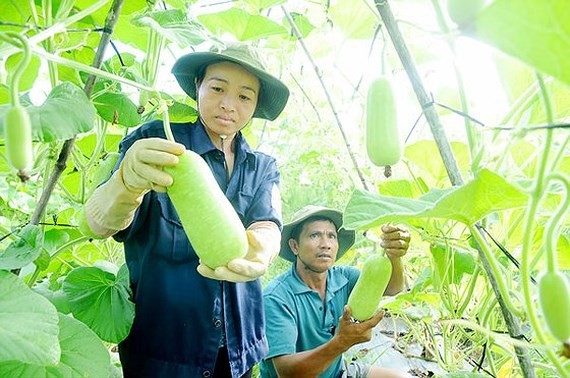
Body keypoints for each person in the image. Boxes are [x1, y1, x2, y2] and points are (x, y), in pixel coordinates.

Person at [82, 43, 290, 377]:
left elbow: (268, 223)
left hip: (237, 348)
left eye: (244, 97)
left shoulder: (263, 166)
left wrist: (263, 248)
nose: (228, 104)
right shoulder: (155, 141)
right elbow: (98, 223)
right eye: (218, 88)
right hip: (163, 351)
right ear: (198, 87)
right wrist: (126, 182)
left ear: (255, 105)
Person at [260, 205, 411, 378]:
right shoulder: (276, 298)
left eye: (331, 236)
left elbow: (392, 288)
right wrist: (341, 342)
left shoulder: (344, 278)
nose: (325, 244)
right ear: (295, 246)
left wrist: (395, 255)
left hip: (338, 373)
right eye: (315, 235)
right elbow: (287, 373)